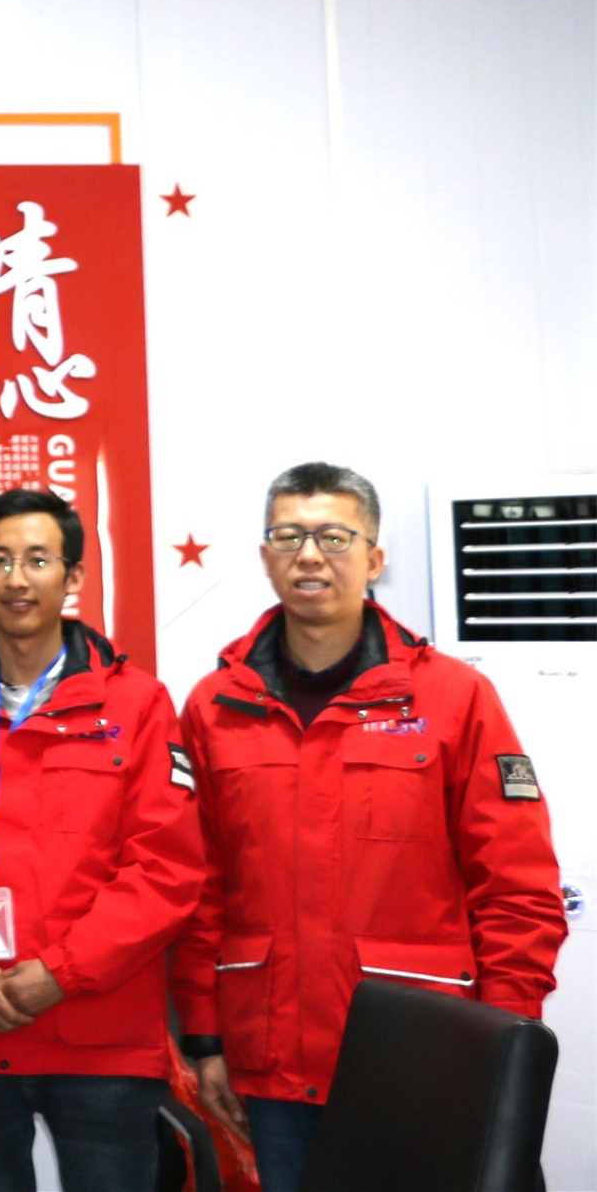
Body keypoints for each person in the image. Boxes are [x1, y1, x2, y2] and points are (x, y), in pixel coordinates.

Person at [176, 463, 563, 1192]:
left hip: (423, 1055)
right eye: (288, 537)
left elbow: (517, 885)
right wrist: (204, 1039)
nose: (309, 556)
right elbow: (200, 889)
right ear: (265, 557)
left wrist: (504, 1039)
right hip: (271, 1066)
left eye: (333, 537)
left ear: (374, 558)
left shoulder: (453, 698)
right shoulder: (215, 706)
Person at [0, 489, 206, 1192]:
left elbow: (165, 868)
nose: (16, 579)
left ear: (73, 575)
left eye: (37, 560)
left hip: (99, 1032)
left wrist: (64, 971)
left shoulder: (137, 704)